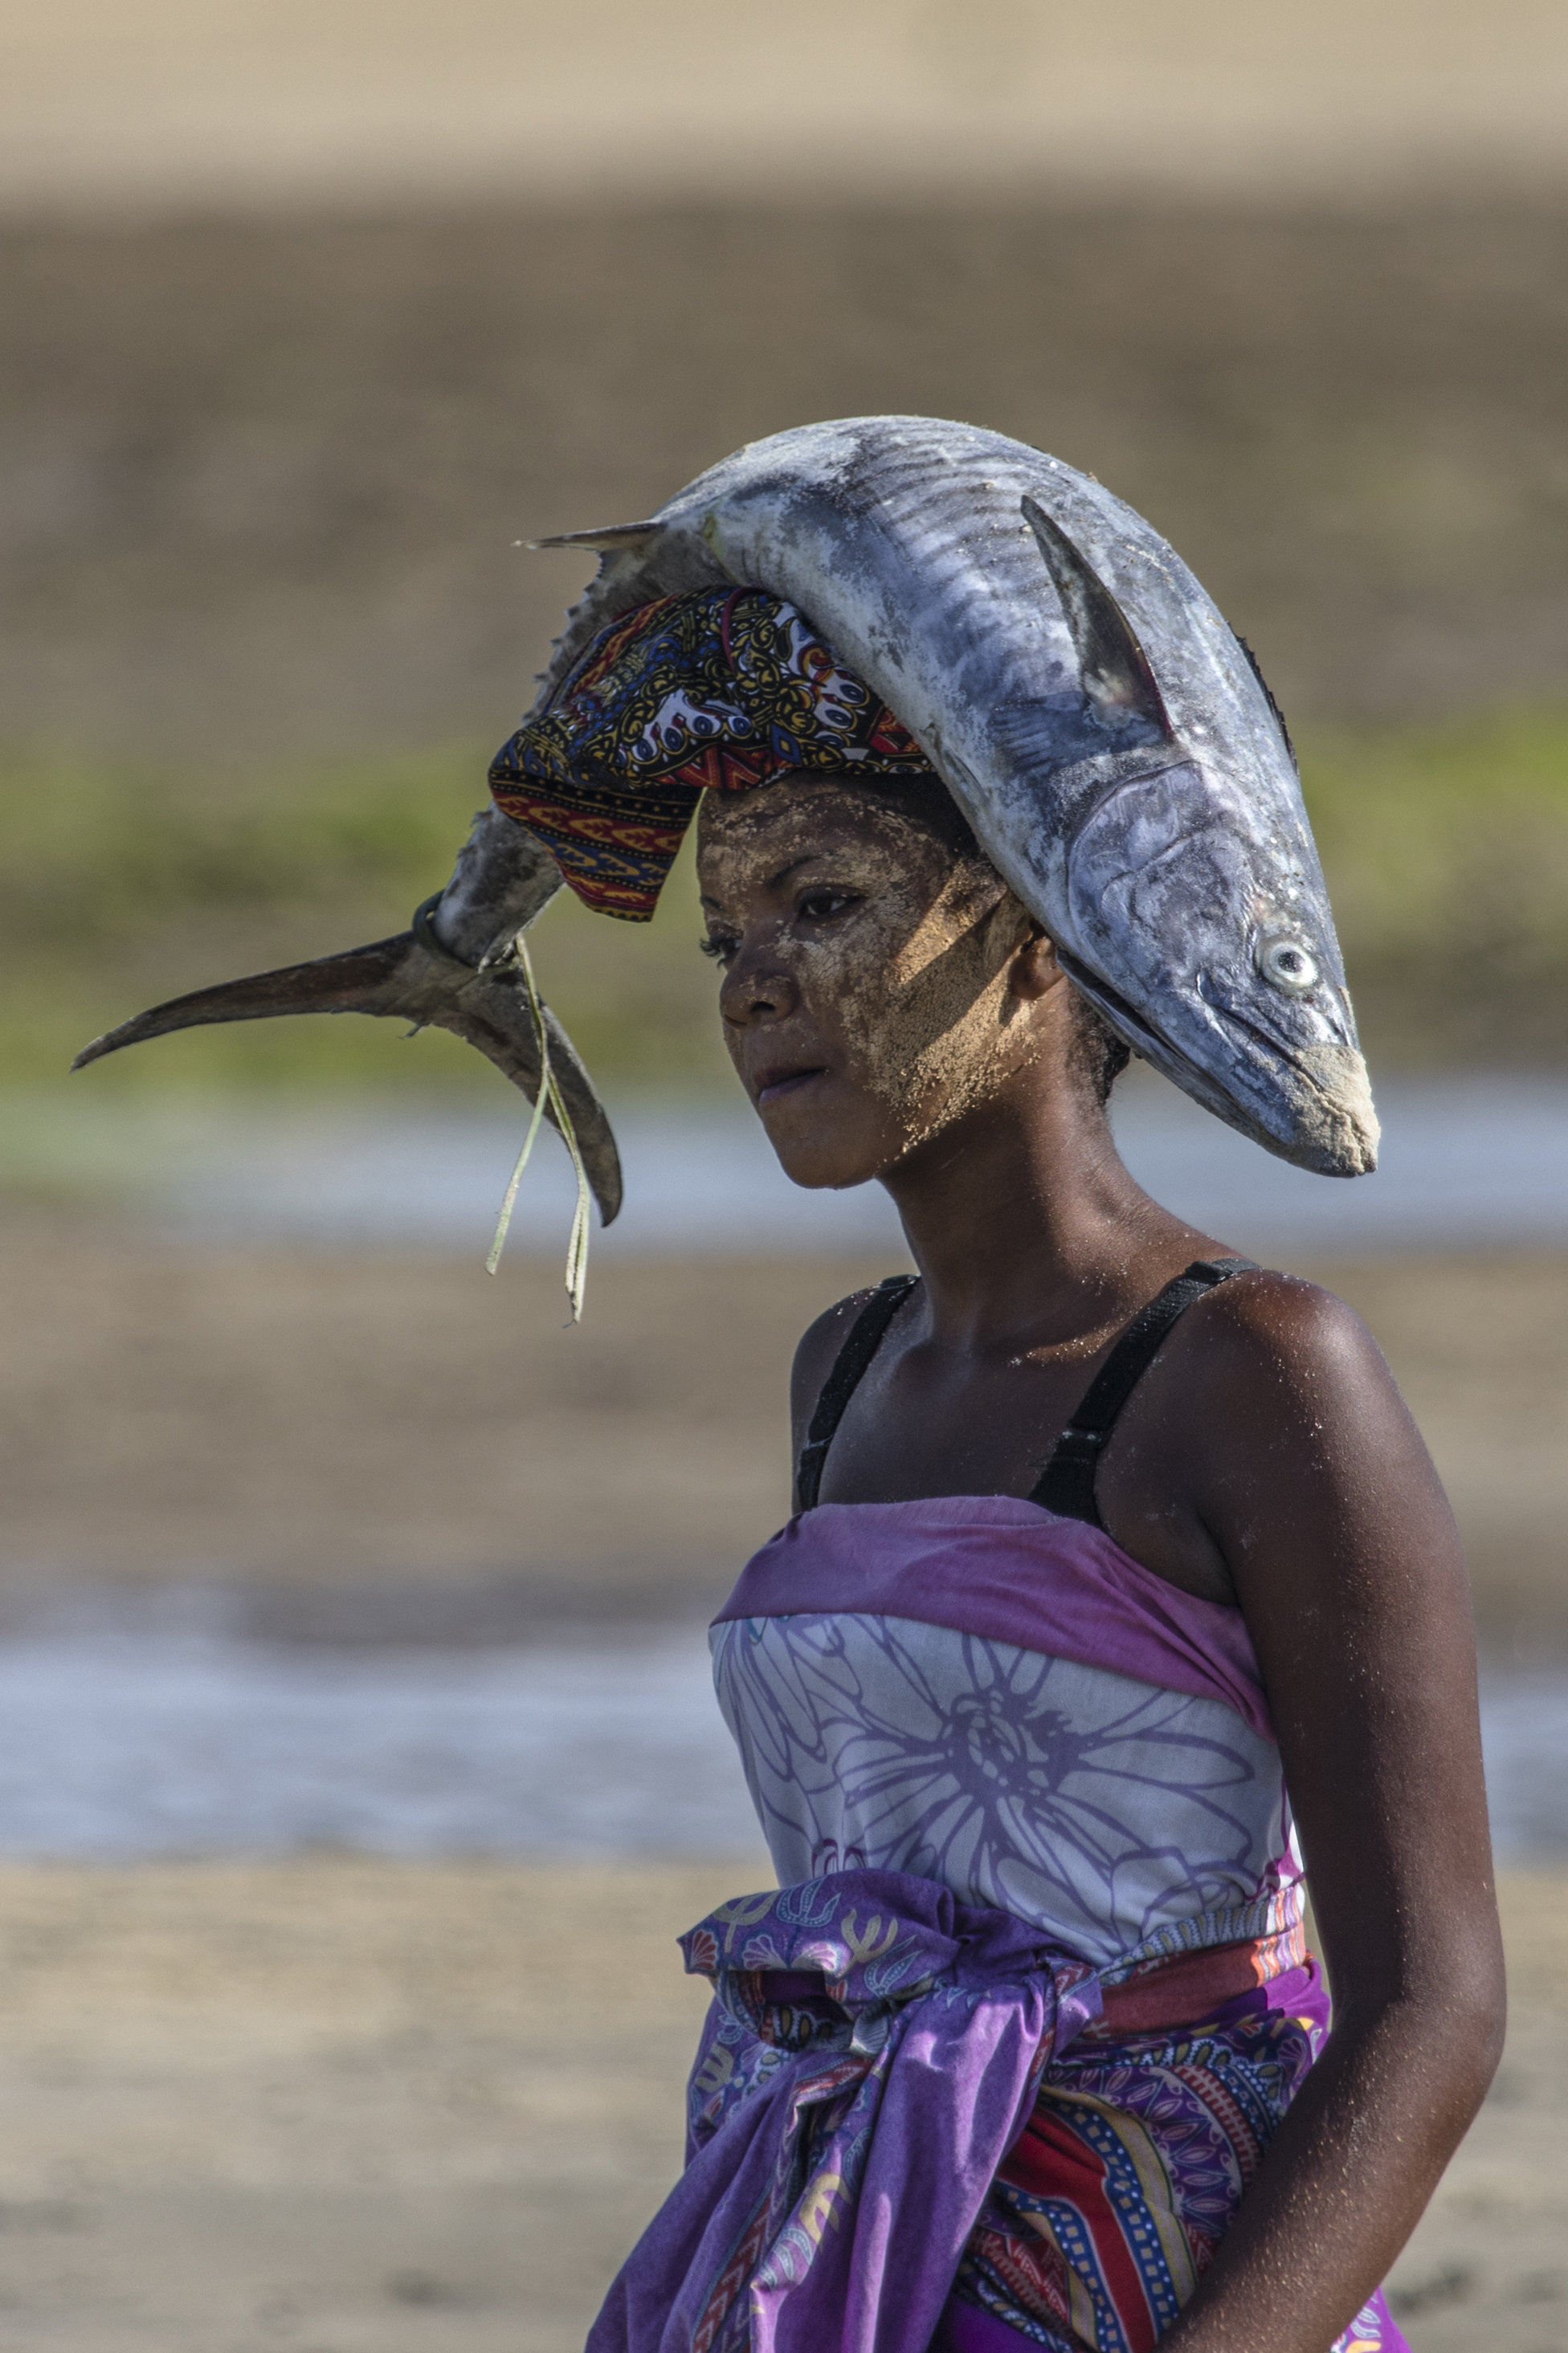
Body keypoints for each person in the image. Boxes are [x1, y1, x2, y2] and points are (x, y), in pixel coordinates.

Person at [490, 585, 1503, 2353]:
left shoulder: (1249, 1371)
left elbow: (1429, 2004)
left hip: (1163, 2285)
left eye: (822, 907)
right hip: (842, 2254)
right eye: (724, 938)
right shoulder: (848, 1373)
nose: (754, 985)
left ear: (1037, 931)